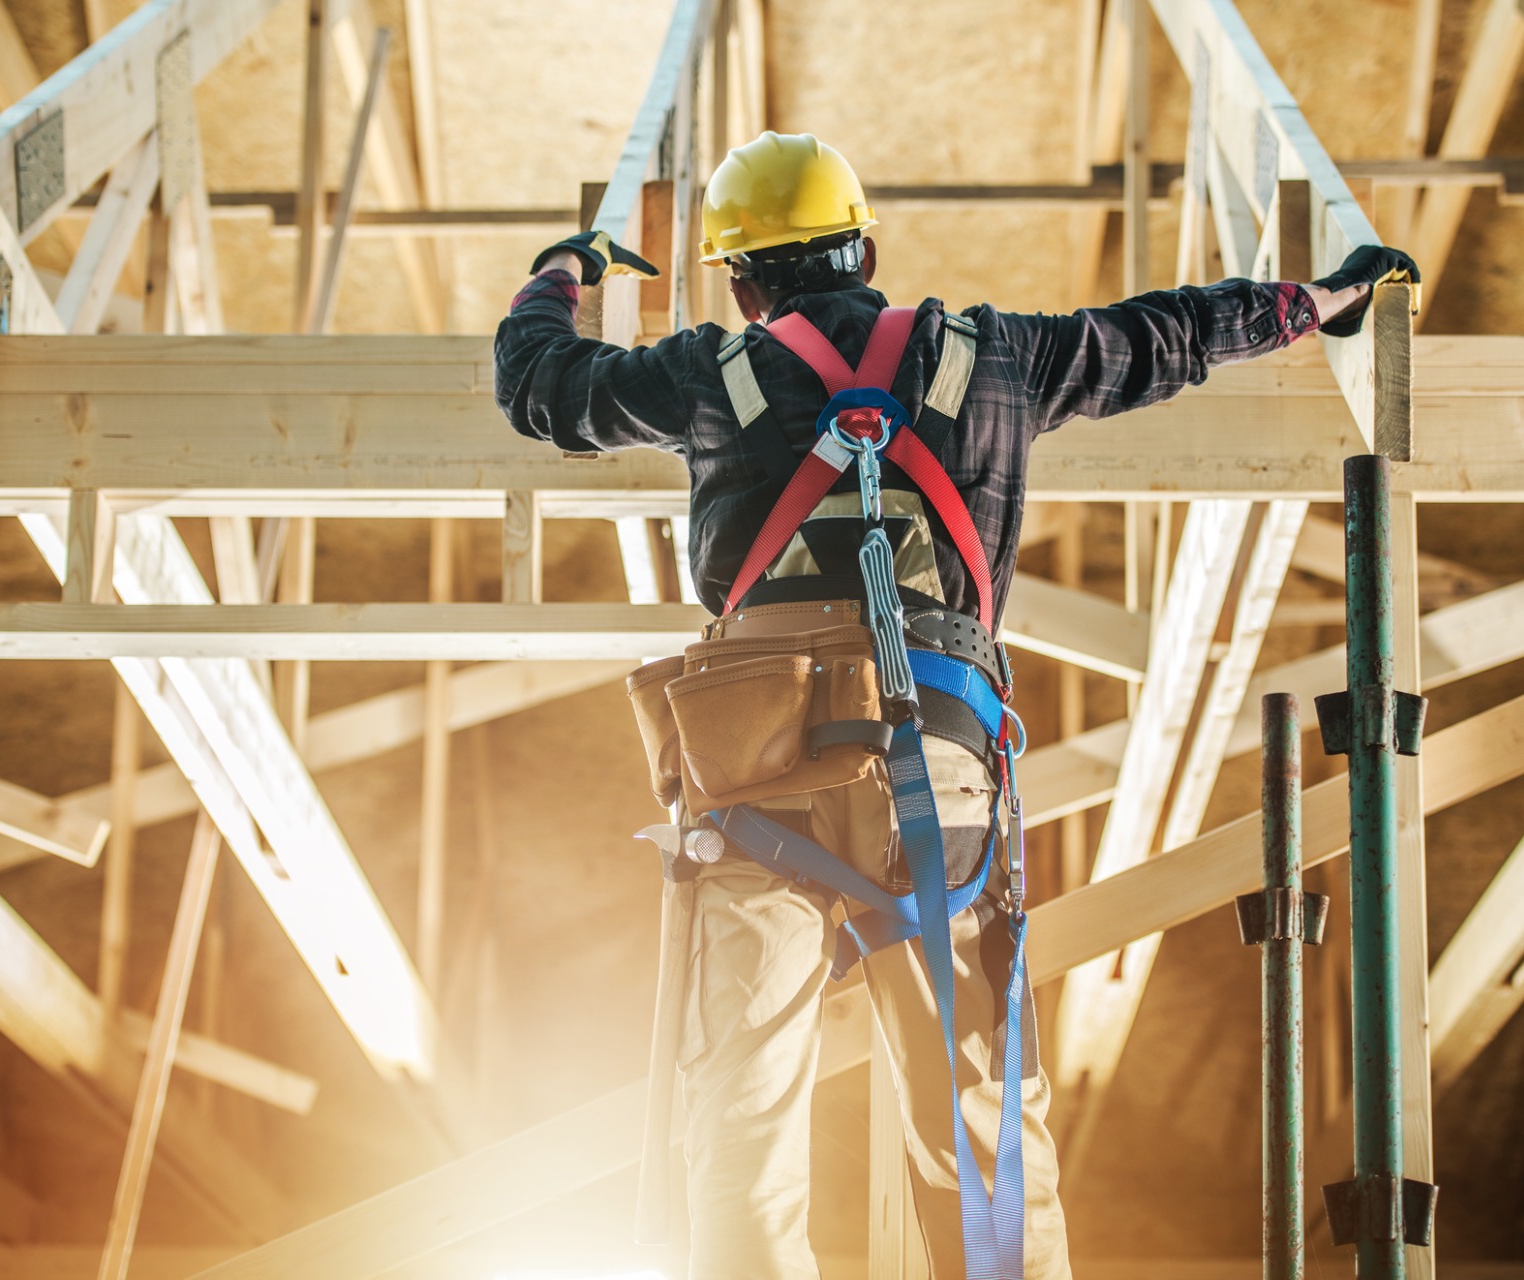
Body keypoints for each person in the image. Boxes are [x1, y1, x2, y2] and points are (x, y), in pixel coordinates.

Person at [495, 131, 1417, 1280]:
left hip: (748, 780)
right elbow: (1168, 335)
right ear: (866, 247)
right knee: (979, 1114)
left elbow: (539, 387)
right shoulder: (995, 359)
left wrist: (561, 273)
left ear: (742, 279)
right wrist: (1318, 298)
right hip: (932, 772)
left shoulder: (704, 372)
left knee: (740, 1105)